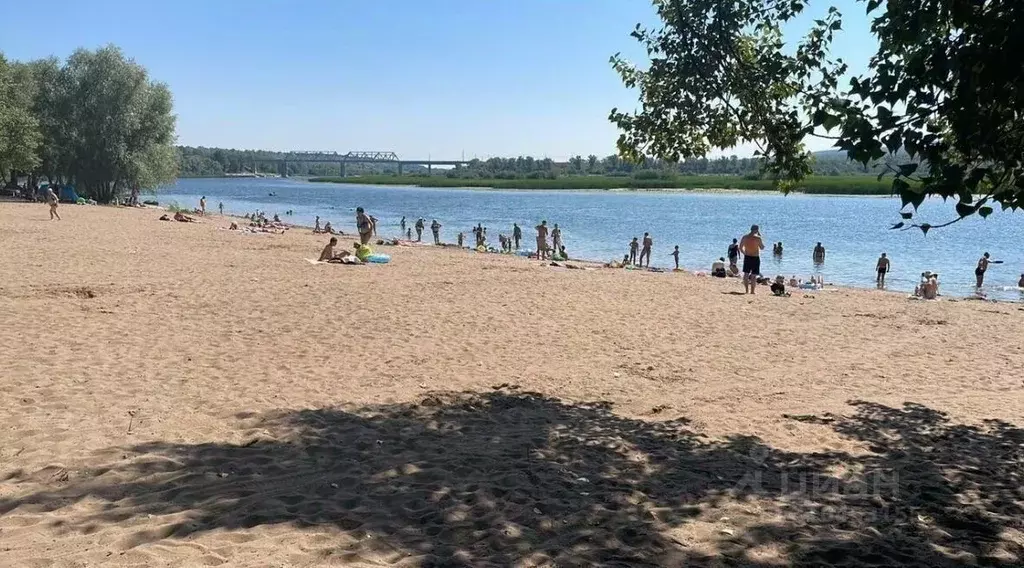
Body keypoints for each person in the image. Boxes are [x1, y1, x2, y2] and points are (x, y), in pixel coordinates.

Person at [739, 224, 765, 294]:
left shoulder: (745, 237)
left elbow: (740, 247)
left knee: (746, 274)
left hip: (747, 257)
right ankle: (752, 291)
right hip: (755, 257)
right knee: (754, 275)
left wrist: (744, 253)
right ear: (757, 230)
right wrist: (760, 235)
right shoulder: (758, 238)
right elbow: (762, 247)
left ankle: (746, 290)